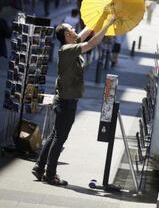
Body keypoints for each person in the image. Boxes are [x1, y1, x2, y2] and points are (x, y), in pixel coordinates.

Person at [31, 14, 116, 186]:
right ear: (66, 36)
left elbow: (87, 31)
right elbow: (91, 43)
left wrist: (102, 14)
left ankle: (40, 167)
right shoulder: (67, 50)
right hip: (66, 101)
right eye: (71, 29)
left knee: (55, 134)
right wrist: (108, 24)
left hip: (65, 98)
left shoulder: (71, 43)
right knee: (60, 138)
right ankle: (50, 174)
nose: (74, 30)